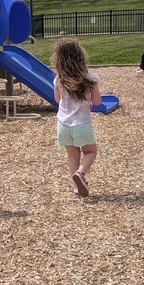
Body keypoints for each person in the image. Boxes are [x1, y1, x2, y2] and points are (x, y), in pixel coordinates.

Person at [53, 38, 101, 199]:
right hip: (81, 123)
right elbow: (97, 101)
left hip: (63, 124)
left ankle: (76, 190)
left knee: (73, 156)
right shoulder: (89, 78)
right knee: (90, 152)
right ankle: (80, 173)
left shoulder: (59, 78)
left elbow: (58, 100)